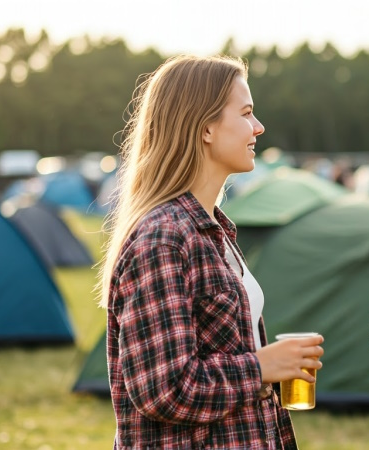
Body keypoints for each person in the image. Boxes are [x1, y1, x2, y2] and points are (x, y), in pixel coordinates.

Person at [99, 55, 324, 449]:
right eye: (247, 113)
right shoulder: (163, 239)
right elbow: (162, 388)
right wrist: (262, 367)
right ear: (205, 128)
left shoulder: (213, 231)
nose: (259, 127)